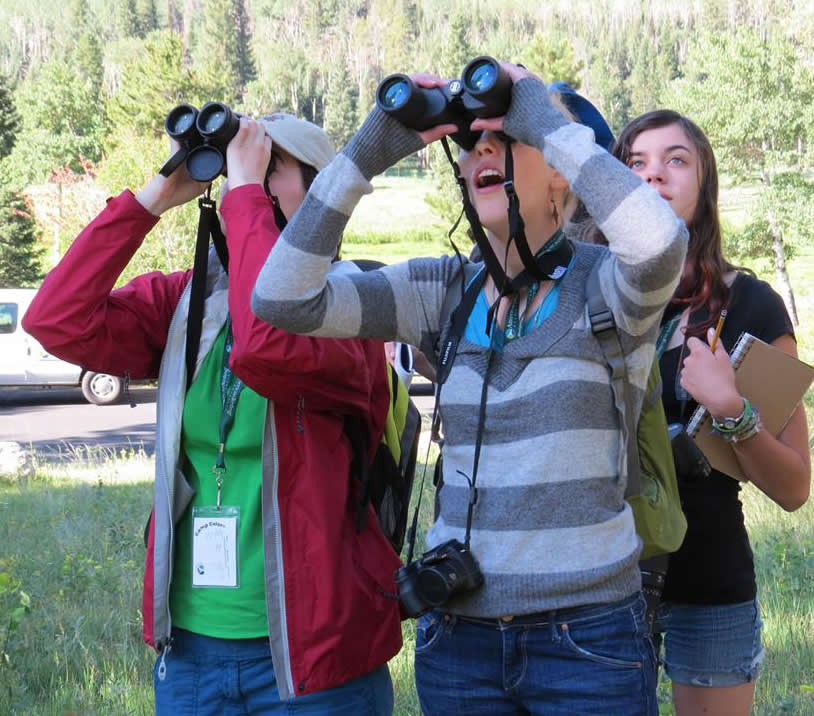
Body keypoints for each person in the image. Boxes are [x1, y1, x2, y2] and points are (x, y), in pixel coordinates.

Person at [250, 62, 688, 715]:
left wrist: (540, 119)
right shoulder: (440, 291)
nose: (481, 150)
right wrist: (368, 152)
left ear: (560, 171)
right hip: (459, 644)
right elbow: (281, 297)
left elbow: (659, 242)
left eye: (503, 139)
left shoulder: (607, 288)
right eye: (470, 143)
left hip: (589, 643)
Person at [22, 113, 402, 715]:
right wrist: (154, 197)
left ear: (325, 194)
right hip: (195, 653)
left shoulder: (354, 307)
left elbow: (268, 343)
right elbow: (55, 318)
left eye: (269, 166)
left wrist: (245, 196)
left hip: (315, 662)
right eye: (237, 165)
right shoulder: (187, 305)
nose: (240, 179)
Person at [608, 110, 811, 716]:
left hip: (709, 582)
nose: (654, 175)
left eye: (676, 160)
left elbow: (795, 487)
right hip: (598, 587)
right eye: (635, 163)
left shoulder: (750, 304)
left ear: (705, 184)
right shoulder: (583, 298)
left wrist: (731, 408)